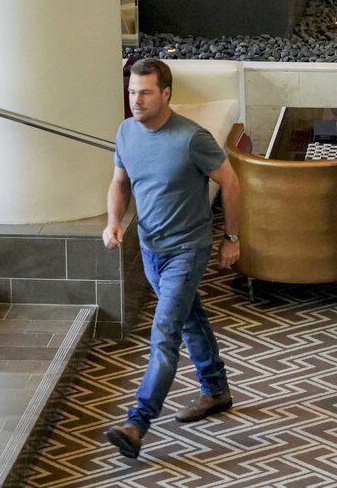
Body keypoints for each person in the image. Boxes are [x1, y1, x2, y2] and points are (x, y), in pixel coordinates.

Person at [102, 58, 241, 459]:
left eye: (145, 93)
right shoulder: (126, 132)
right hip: (151, 249)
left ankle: (137, 422)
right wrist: (114, 221)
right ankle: (216, 389)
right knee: (188, 317)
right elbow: (120, 182)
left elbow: (231, 182)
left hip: (187, 249)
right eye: (132, 92)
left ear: (166, 94)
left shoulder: (192, 138)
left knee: (164, 333)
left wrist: (231, 238)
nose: (136, 100)